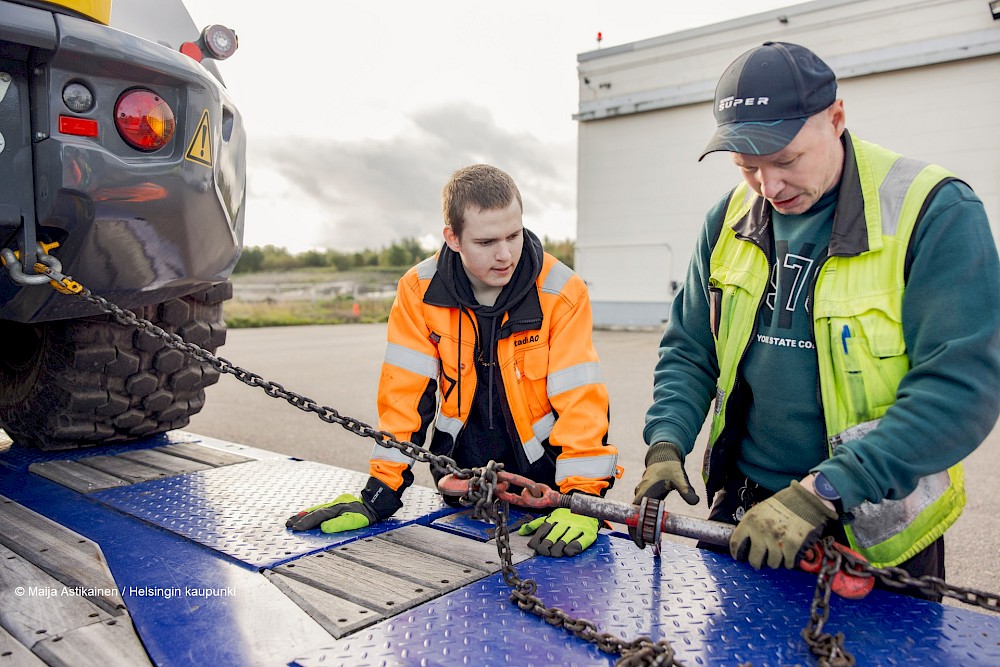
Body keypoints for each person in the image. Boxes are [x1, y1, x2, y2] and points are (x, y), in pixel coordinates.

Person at [631, 41, 1000, 599]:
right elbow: (690, 349)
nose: (769, 188)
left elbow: (961, 387)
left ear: (837, 119)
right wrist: (666, 441)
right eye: (748, 167)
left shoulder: (933, 212)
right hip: (747, 514)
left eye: (785, 160)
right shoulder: (728, 218)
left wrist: (826, 490)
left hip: (871, 528)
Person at [288, 163, 621, 557]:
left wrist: (580, 499)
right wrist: (380, 492)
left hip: (546, 489)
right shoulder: (419, 290)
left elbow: (581, 400)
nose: (505, 254)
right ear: (453, 238)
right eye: (486, 242)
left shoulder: (561, 291)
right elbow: (404, 398)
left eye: (514, 235)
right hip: (465, 482)